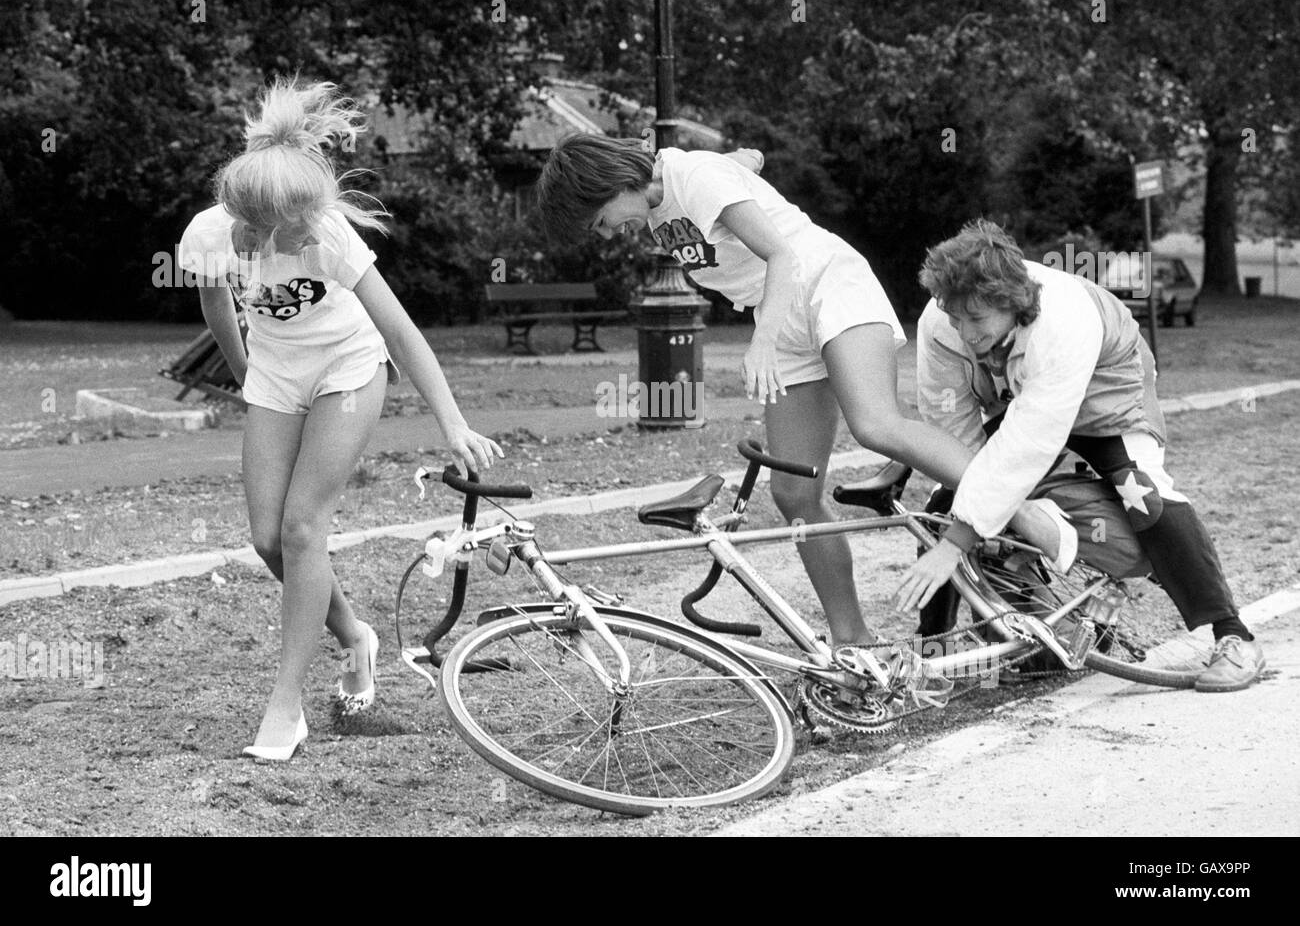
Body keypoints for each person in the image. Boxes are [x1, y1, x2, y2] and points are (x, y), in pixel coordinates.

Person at [535, 136, 1060, 648]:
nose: (607, 236)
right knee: (793, 492)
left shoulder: (692, 176)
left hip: (824, 283)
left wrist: (761, 345)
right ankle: (853, 640)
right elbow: (740, 163)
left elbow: (781, 256)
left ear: (608, 184)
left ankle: (1019, 507)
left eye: (599, 222)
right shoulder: (667, 189)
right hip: (782, 314)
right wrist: (750, 160)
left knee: (876, 426)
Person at [179, 77, 502, 759]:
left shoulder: (329, 236)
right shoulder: (209, 237)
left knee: (303, 529)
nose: (310, 228)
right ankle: (356, 636)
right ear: (260, 222)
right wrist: (248, 380)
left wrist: (453, 423)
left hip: (347, 370)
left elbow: (403, 334)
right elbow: (215, 307)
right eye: (295, 225)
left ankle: (285, 706)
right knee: (268, 538)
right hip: (274, 373)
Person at [897, 219, 1265, 691]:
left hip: (1102, 386)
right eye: (956, 319)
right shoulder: (939, 322)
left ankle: (1233, 635)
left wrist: (957, 544)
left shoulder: (1063, 319)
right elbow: (951, 431)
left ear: (1012, 302)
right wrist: (964, 511)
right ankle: (937, 652)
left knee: (1143, 492)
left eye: (977, 320)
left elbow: (1032, 441)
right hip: (1013, 391)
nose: (965, 333)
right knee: (947, 502)